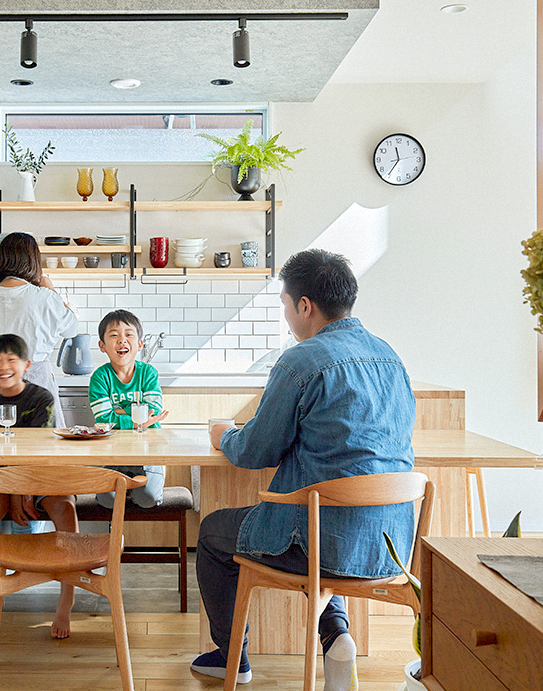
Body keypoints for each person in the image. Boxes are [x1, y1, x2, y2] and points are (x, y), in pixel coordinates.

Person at [190, 250, 416, 690]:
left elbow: (257, 449)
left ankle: (231, 657)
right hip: (391, 544)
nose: (287, 316)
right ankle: (335, 635)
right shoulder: (391, 357)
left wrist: (224, 434)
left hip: (321, 542)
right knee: (325, 521)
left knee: (214, 533)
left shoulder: (302, 361)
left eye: (284, 304)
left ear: (305, 306)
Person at [0, 333, 79, 640]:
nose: (4, 367)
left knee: (65, 507)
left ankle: (66, 602)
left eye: (11, 360)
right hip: (5, 477)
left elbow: (40, 451)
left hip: (44, 473)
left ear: (26, 365)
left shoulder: (41, 398)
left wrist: (25, 492)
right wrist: (14, 494)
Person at [0, 231, 78, 428]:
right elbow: (71, 329)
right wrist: (51, 290)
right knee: (41, 451)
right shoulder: (44, 297)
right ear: (33, 262)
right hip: (38, 384)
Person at [88, 309, 169, 509]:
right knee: (108, 500)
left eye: (129, 335)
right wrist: (138, 420)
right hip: (112, 454)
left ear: (139, 344)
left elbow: (152, 410)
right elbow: (104, 420)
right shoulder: (99, 378)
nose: (122, 340)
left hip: (148, 453)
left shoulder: (148, 373)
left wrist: (119, 414)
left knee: (147, 498)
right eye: (114, 335)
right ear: (102, 346)